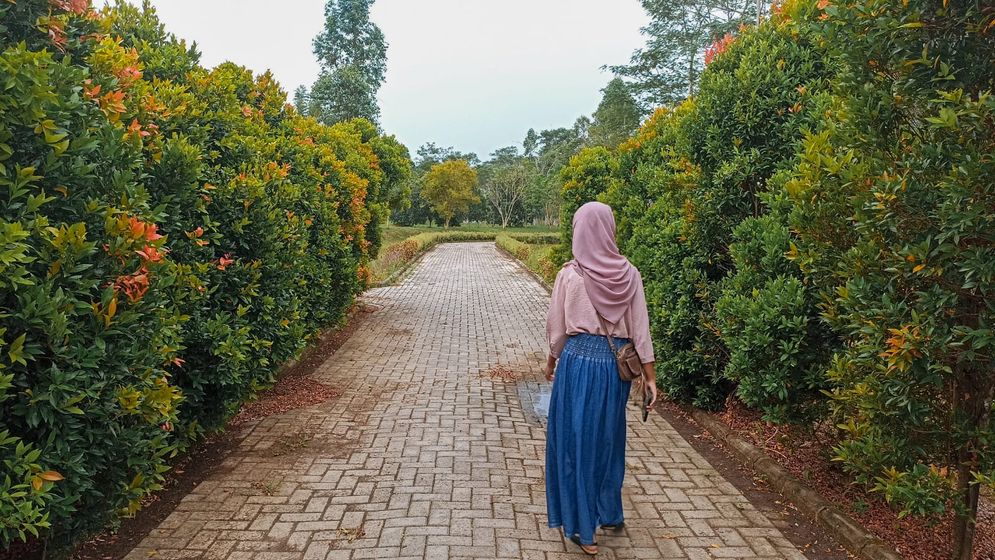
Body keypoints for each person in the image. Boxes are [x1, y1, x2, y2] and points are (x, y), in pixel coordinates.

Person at [544, 201, 657, 556]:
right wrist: (650, 377)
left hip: (576, 365)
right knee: (607, 440)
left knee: (575, 443)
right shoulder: (630, 274)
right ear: (609, 230)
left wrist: (551, 362)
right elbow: (641, 331)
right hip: (613, 370)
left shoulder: (570, 275)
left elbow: (558, 330)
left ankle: (583, 530)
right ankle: (609, 512)